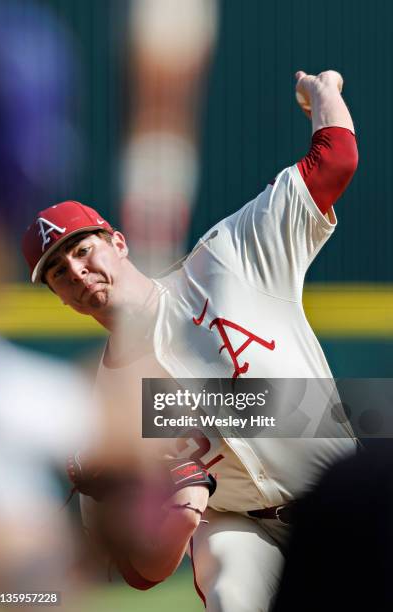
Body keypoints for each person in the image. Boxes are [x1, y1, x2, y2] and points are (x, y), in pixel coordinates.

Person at [22, 70, 359, 612]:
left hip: (337, 495)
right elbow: (137, 572)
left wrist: (325, 93)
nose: (77, 272)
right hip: (239, 525)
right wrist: (179, 517)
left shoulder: (226, 260)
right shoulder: (102, 403)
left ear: (119, 242)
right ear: (59, 298)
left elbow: (336, 159)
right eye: (59, 271)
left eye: (84, 251)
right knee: (232, 595)